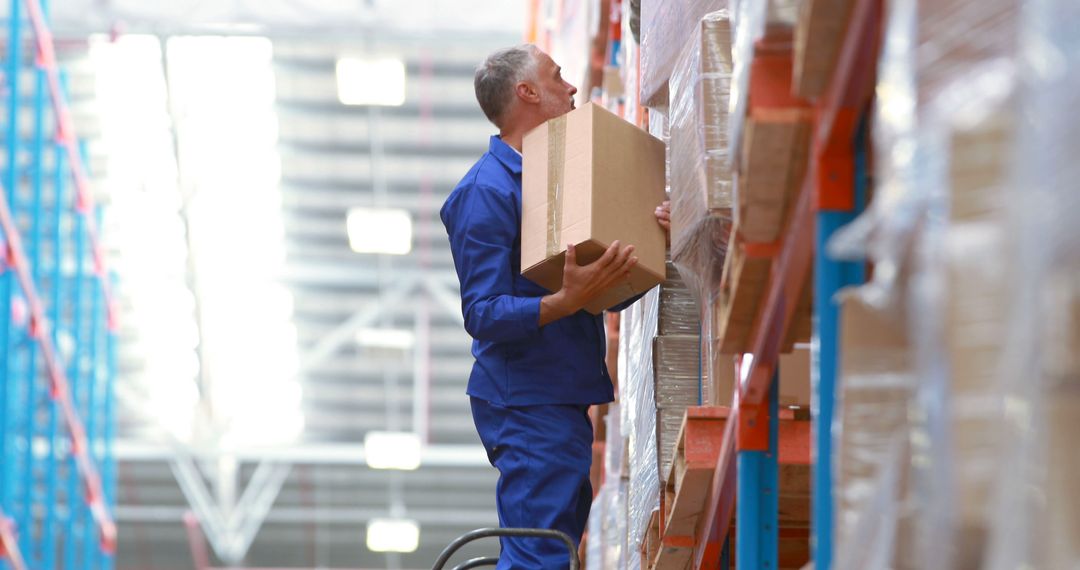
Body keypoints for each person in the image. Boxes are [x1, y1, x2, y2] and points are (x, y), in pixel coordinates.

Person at [440, 44, 670, 569]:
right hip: (524, 399)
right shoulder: (486, 191)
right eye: (557, 76)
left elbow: (598, 298)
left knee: (553, 548)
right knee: (541, 554)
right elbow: (482, 313)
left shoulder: (554, 187)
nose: (570, 87)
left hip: (558, 394)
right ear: (527, 92)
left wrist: (652, 245)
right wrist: (565, 301)